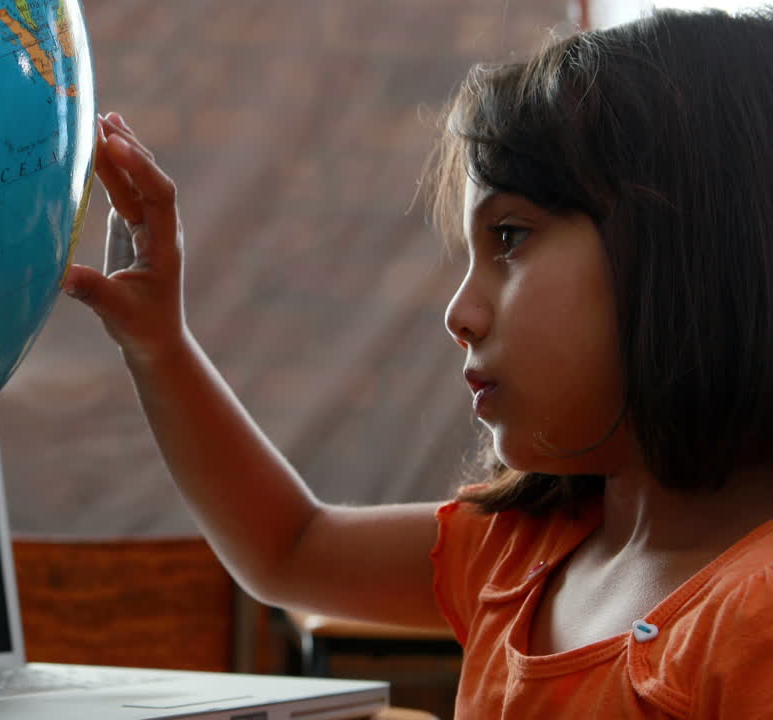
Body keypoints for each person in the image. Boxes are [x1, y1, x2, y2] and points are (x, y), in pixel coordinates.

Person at [62, 7, 773, 718]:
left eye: (510, 237)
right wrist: (160, 345)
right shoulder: (524, 554)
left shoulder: (755, 621)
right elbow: (290, 548)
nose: (459, 314)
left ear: (690, 247)